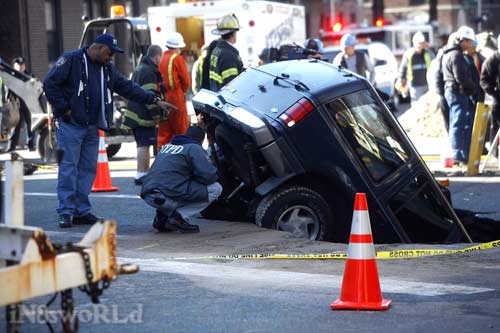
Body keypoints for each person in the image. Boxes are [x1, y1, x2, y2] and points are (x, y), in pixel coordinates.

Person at [44, 33, 175, 228]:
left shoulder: (106, 68)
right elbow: (50, 83)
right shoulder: (72, 60)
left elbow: (127, 87)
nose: (111, 56)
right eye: (109, 52)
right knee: (69, 168)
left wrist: (154, 99)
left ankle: (81, 210)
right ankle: (66, 211)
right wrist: (64, 109)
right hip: (71, 124)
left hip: (91, 126)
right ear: (96, 48)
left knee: (88, 169)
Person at [141, 125, 222, 233]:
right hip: (166, 196)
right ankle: (178, 218)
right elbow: (208, 176)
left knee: (179, 184)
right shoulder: (194, 148)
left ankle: (162, 217)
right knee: (215, 188)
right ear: (201, 139)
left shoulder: (168, 146)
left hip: (149, 194)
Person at [122, 45, 166, 185]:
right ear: (157, 56)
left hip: (135, 112)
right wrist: (156, 115)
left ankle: (143, 173)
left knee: (142, 144)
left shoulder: (141, 68)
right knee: (144, 145)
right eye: (160, 57)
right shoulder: (149, 72)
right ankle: (141, 175)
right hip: (142, 116)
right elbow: (150, 95)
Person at [442, 26, 477, 165]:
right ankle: (457, 155)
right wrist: (472, 88)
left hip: (452, 91)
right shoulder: (456, 55)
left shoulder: (449, 53)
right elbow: (460, 76)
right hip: (457, 92)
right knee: (457, 124)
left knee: (456, 123)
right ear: (462, 40)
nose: (470, 45)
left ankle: (458, 154)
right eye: (469, 41)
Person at [158, 32, 191, 148]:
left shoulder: (161, 57)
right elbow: (186, 81)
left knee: (164, 132)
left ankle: (162, 156)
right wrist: (183, 91)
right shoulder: (177, 59)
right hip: (176, 97)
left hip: (162, 98)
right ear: (177, 47)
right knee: (181, 130)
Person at [203, 14, 244, 92]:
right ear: (233, 34)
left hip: (216, 94)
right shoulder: (229, 55)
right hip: (226, 100)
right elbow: (232, 84)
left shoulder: (217, 49)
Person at [397, 32, 433, 105]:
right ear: (414, 43)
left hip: (428, 84)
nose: (419, 45)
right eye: (418, 43)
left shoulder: (428, 53)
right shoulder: (409, 54)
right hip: (415, 86)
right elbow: (403, 68)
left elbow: (435, 63)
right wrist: (401, 80)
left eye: (421, 43)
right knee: (417, 106)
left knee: (428, 106)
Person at [8, 57, 35, 151]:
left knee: (30, 125)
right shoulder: (12, 75)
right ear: (14, 66)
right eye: (18, 65)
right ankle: (11, 146)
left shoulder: (29, 76)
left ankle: (30, 145)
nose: (20, 67)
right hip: (17, 104)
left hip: (27, 104)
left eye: (22, 65)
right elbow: (9, 91)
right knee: (16, 126)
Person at [433, 32, 457, 132]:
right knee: (449, 119)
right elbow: (437, 73)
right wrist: (441, 92)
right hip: (444, 90)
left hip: (447, 90)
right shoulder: (444, 53)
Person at [480, 34, 500, 150]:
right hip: (498, 99)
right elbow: (484, 80)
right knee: (496, 126)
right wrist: (494, 93)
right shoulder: (492, 60)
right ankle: (495, 151)